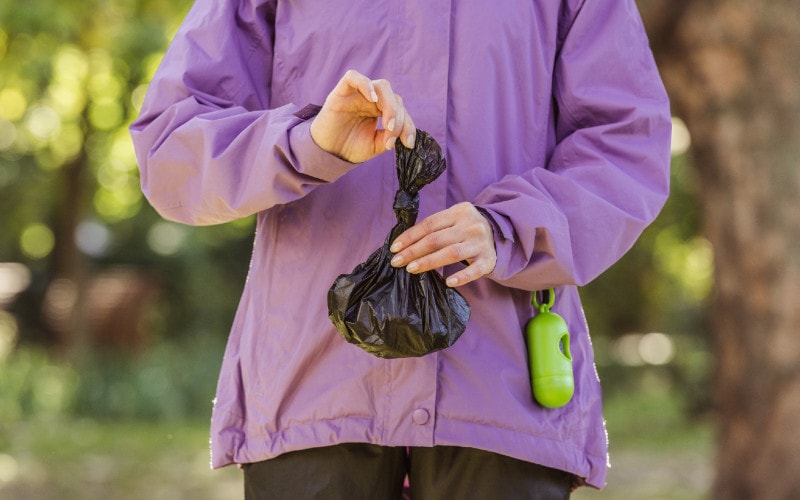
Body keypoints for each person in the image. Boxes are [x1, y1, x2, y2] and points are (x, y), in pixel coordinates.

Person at [130, 0, 671, 497]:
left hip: (502, 392)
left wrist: (509, 226)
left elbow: (626, 144)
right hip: (313, 389)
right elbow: (171, 145)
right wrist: (308, 143)